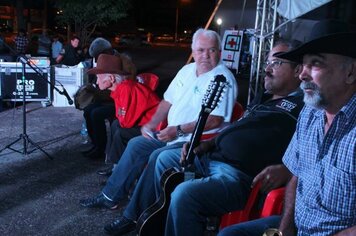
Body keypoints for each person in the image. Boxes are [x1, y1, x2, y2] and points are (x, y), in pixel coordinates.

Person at [99, 39, 305, 236]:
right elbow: (234, 129)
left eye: (276, 62)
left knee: (183, 194)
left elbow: (311, 154)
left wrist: (288, 169)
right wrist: (205, 144)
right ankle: (149, 219)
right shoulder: (261, 99)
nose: (267, 68)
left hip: (237, 174)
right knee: (159, 157)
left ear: (298, 70)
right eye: (267, 62)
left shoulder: (304, 108)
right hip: (209, 154)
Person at [218, 19, 356, 236]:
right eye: (303, 64)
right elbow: (296, 177)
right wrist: (285, 229)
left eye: (316, 63)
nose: (302, 74)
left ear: (350, 73)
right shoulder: (310, 114)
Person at [79, 28, 238, 214]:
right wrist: (151, 124)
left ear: (219, 51)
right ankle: (109, 197)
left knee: (157, 156)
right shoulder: (187, 70)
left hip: (195, 143)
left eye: (211, 50)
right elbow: (166, 101)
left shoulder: (222, 78)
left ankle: (137, 214)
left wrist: (177, 130)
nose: (205, 55)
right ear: (193, 51)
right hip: (173, 134)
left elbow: (214, 120)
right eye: (201, 50)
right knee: (136, 143)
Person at [87, 53, 160, 177]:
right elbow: (121, 118)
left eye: (99, 77)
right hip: (146, 125)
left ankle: (118, 171)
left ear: (111, 78)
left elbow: (126, 122)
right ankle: (115, 165)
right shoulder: (120, 89)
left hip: (156, 130)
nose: (96, 81)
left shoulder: (126, 89)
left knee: (122, 131)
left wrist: (121, 119)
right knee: (116, 124)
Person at [80, 37, 138, 162]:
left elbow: (126, 89)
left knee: (96, 113)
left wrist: (97, 93)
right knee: (88, 110)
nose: (97, 60)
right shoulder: (106, 59)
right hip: (110, 97)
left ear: (107, 51)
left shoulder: (124, 62)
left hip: (122, 102)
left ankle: (101, 148)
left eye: (98, 56)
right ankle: (96, 144)